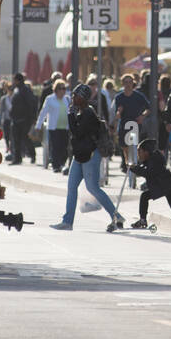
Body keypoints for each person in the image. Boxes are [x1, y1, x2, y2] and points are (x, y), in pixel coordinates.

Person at [51, 84, 125, 231]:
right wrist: (72, 114)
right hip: (79, 155)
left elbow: (77, 132)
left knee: (93, 188)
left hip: (91, 155)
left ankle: (116, 216)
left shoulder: (88, 114)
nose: (72, 98)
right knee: (72, 187)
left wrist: (70, 114)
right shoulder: (79, 112)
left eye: (75, 96)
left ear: (83, 98)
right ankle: (67, 222)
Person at [129, 139, 171, 234]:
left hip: (168, 186)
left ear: (146, 152)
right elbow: (145, 169)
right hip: (164, 186)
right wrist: (135, 168)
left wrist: (135, 169)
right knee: (147, 197)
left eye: (140, 152)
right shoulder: (151, 159)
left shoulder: (154, 160)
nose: (138, 154)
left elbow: (149, 173)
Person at [111, 73, 150, 174]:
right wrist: (118, 113)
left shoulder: (139, 96)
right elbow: (117, 114)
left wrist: (142, 116)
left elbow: (148, 108)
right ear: (122, 83)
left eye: (130, 82)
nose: (128, 84)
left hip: (136, 124)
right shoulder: (119, 97)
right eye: (126, 82)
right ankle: (128, 165)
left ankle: (136, 166)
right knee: (124, 147)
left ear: (133, 83)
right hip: (124, 124)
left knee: (136, 146)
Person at [34, 79, 71, 172]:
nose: (63, 91)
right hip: (54, 127)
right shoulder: (50, 99)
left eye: (64, 88)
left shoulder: (67, 99)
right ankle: (56, 165)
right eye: (61, 88)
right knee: (55, 146)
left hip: (65, 127)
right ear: (56, 89)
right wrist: (38, 125)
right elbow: (43, 112)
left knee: (64, 147)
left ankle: (62, 163)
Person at [8, 73, 38, 165]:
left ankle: (32, 155)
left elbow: (31, 104)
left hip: (24, 119)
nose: (13, 82)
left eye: (14, 80)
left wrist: (32, 117)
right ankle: (17, 158)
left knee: (26, 138)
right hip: (16, 119)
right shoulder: (17, 90)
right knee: (16, 139)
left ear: (18, 80)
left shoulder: (25, 90)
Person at [0, 79, 14, 158]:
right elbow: (1, 110)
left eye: (12, 90)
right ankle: (7, 146)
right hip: (6, 119)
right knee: (6, 135)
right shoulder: (4, 98)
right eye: (10, 90)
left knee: (11, 135)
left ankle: (10, 148)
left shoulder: (15, 98)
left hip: (12, 119)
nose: (11, 91)